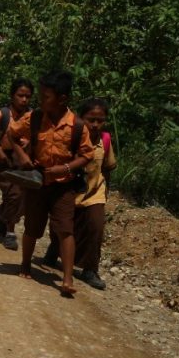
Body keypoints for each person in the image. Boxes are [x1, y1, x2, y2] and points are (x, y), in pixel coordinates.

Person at [6, 69, 94, 296]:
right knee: (33, 226)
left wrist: (64, 168)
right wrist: (24, 158)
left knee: (65, 229)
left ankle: (67, 278)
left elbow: (86, 155)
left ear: (62, 99)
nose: (40, 100)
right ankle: (25, 264)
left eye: (46, 96)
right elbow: (12, 134)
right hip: (38, 181)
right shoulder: (34, 118)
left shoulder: (77, 126)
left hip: (63, 185)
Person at [43, 98, 117, 289]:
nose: (95, 124)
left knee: (95, 226)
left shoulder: (105, 140)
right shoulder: (71, 137)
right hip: (68, 190)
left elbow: (108, 167)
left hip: (94, 192)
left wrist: (105, 190)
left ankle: (90, 269)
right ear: (80, 118)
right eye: (90, 119)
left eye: (100, 120)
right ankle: (55, 249)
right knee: (63, 225)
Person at [0, 78, 34, 250]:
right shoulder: (1, 115)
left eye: (27, 96)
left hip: (23, 160)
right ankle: (10, 233)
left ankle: (3, 215)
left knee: (23, 198)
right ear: (12, 96)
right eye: (20, 95)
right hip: (3, 161)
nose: (24, 100)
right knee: (13, 195)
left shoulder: (32, 116)